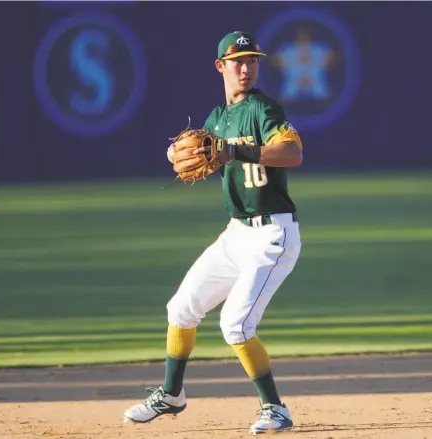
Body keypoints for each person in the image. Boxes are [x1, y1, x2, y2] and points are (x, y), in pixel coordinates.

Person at [123, 30, 304, 435]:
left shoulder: (264, 109)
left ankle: (276, 408)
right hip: (235, 234)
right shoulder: (216, 119)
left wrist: (236, 150)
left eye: (253, 61)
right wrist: (180, 155)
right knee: (180, 309)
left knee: (235, 325)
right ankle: (171, 395)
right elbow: (200, 156)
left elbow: (293, 152)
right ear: (220, 66)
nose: (246, 68)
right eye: (238, 61)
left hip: (273, 235)